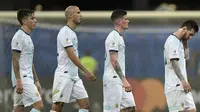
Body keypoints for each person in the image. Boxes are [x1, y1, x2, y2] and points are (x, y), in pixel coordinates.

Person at [50, 6, 96, 112]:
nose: (81, 15)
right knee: (57, 107)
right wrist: (86, 71)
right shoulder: (65, 32)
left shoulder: (72, 33)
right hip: (64, 75)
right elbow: (71, 55)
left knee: (85, 105)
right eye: (78, 12)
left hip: (74, 76)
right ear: (70, 15)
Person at [103, 9, 136, 112]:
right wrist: (124, 80)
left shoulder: (119, 37)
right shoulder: (113, 36)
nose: (128, 21)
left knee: (130, 107)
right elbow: (114, 61)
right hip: (113, 79)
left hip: (118, 79)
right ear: (119, 22)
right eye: (126, 19)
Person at [11, 9, 44, 112]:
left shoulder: (27, 37)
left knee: (18, 109)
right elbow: (15, 59)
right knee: (39, 105)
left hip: (26, 77)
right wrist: (19, 81)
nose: (35, 20)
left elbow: (29, 61)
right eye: (32, 18)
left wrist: (36, 80)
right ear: (24, 21)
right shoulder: (19, 36)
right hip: (22, 78)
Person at [164, 20, 199, 112]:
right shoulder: (172, 41)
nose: (190, 38)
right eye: (190, 34)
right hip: (174, 86)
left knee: (192, 110)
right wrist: (183, 81)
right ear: (184, 29)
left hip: (181, 86)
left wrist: (185, 42)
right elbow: (174, 62)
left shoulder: (179, 42)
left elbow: (186, 58)